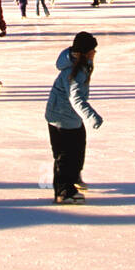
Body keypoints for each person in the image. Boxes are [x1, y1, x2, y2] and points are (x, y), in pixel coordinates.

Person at [45, 31, 102, 205]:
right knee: (65, 155)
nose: (95, 53)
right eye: (93, 49)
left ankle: (74, 175)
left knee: (77, 147)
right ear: (85, 52)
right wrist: (92, 116)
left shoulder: (80, 64)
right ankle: (63, 191)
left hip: (68, 117)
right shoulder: (75, 71)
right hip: (61, 118)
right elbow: (76, 99)